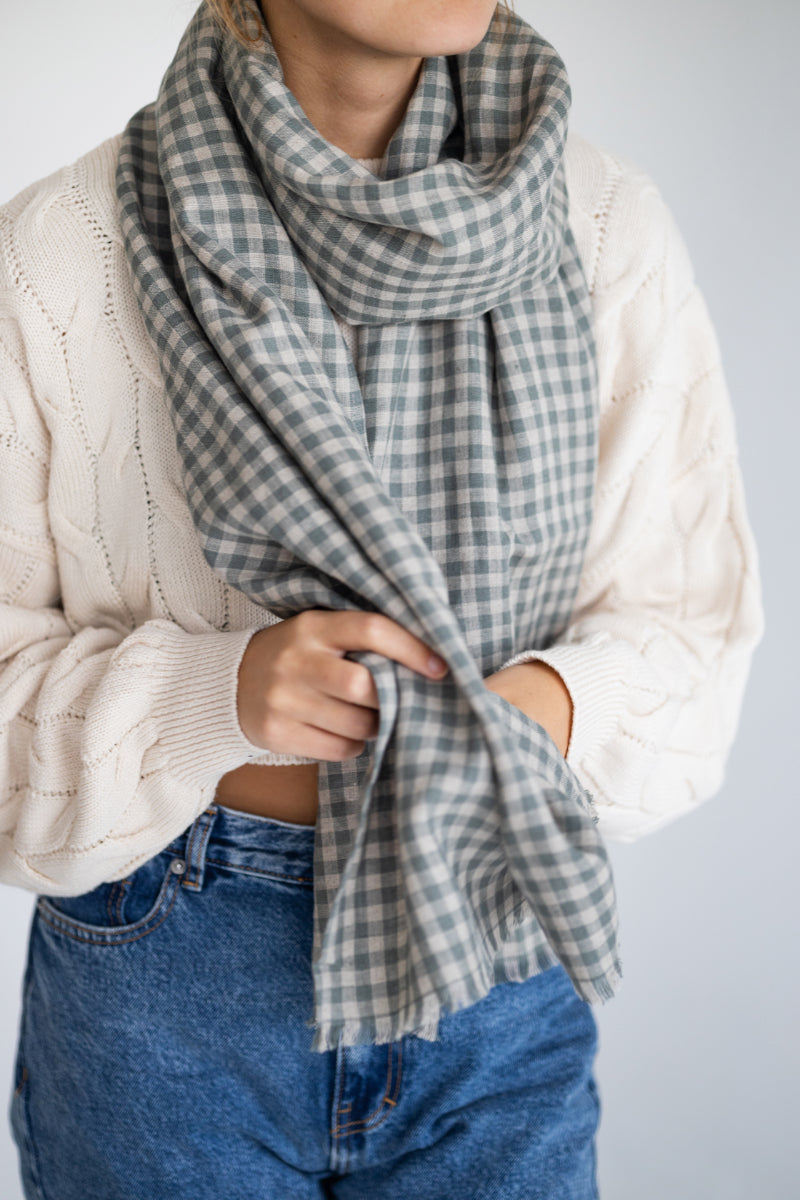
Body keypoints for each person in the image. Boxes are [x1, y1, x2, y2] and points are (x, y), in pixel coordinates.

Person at [0, 1, 763, 1197]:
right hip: (168, 985)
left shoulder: (600, 226)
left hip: (494, 954)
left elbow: (693, 633)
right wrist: (222, 694)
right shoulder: (64, 249)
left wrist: (527, 713)